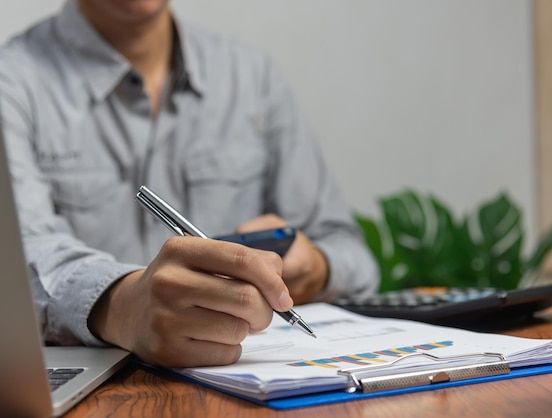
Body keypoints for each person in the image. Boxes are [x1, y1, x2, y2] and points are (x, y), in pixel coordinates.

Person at [0, 0, 379, 368]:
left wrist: (315, 268)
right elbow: (15, 265)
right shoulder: (12, 83)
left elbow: (352, 255)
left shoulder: (251, 76)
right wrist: (122, 305)